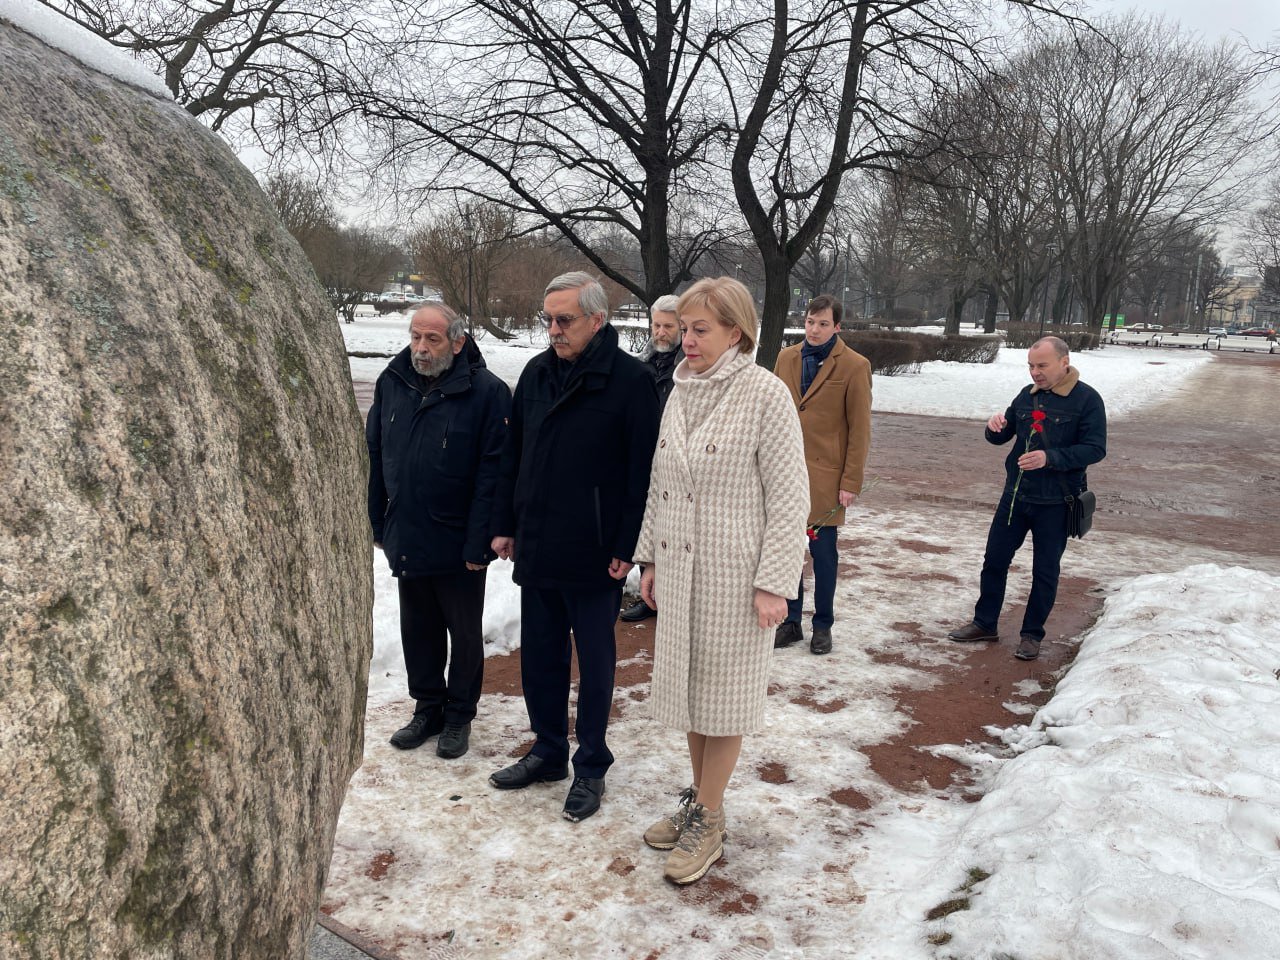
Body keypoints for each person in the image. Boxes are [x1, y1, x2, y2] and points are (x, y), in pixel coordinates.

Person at [633, 276, 809, 885]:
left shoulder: (765, 394)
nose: (686, 340)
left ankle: (708, 818)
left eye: (700, 329)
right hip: (680, 570)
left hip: (737, 577)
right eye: (683, 329)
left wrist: (775, 583)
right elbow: (660, 483)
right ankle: (702, 803)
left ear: (736, 331)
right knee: (689, 692)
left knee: (724, 701)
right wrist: (649, 560)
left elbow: (790, 499)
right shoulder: (680, 392)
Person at [488, 272, 660, 822]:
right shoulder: (537, 373)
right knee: (540, 655)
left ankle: (590, 764)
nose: (553, 329)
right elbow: (513, 456)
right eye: (548, 319)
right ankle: (547, 750)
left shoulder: (630, 381)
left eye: (564, 320)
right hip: (538, 540)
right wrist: (506, 523)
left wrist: (627, 544)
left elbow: (642, 472)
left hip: (595, 548)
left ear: (596, 320)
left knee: (595, 659)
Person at [366, 302, 511, 758]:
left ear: (457, 342)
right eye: (415, 337)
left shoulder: (486, 393)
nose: (421, 348)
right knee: (418, 628)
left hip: (458, 537)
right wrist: (378, 521)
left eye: (432, 339)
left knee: (463, 632)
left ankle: (459, 714)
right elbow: (375, 454)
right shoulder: (393, 383)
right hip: (408, 530)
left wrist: (479, 541)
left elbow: (494, 473)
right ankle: (427, 706)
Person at [947, 336, 1107, 661]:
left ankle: (1032, 635)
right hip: (1016, 496)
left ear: (1064, 362)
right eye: (1031, 366)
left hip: (1056, 502)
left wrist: (1050, 458)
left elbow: (1095, 449)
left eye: (1042, 366)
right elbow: (1002, 435)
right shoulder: (1026, 395)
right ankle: (985, 622)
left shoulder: (1087, 400)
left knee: (1044, 571)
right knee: (994, 560)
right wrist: (994, 427)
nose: (1035, 372)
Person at [771, 294, 872, 655]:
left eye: (823, 324)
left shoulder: (855, 366)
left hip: (825, 478)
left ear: (837, 326)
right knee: (785, 551)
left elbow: (859, 429)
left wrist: (850, 482)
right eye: (810, 322)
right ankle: (791, 621)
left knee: (823, 554)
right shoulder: (786, 358)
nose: (814, 330)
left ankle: (822, 625)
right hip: (782, 474)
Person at [620, 294, 684, 624]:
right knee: (649, 520)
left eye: (667, 326)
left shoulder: (690, 366)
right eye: (656, 325)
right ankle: (651, 594)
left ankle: (673, 594)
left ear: (681, 326)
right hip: (645, 452)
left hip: (676, 456)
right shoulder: (643, 363)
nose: (660, 332)